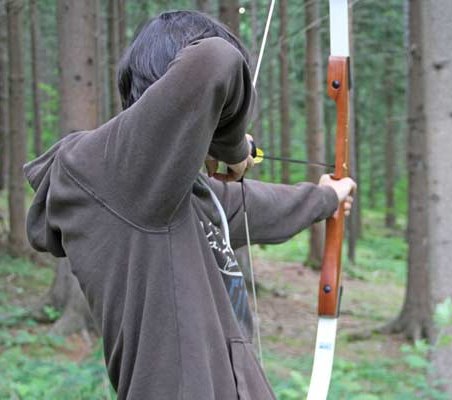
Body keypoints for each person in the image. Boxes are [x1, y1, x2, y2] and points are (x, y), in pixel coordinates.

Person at [23, 10, 354, 400]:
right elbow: (218, 59)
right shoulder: (111, 175)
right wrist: (230, 148)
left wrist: (326, 197)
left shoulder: (182, 196)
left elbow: (254, 206)